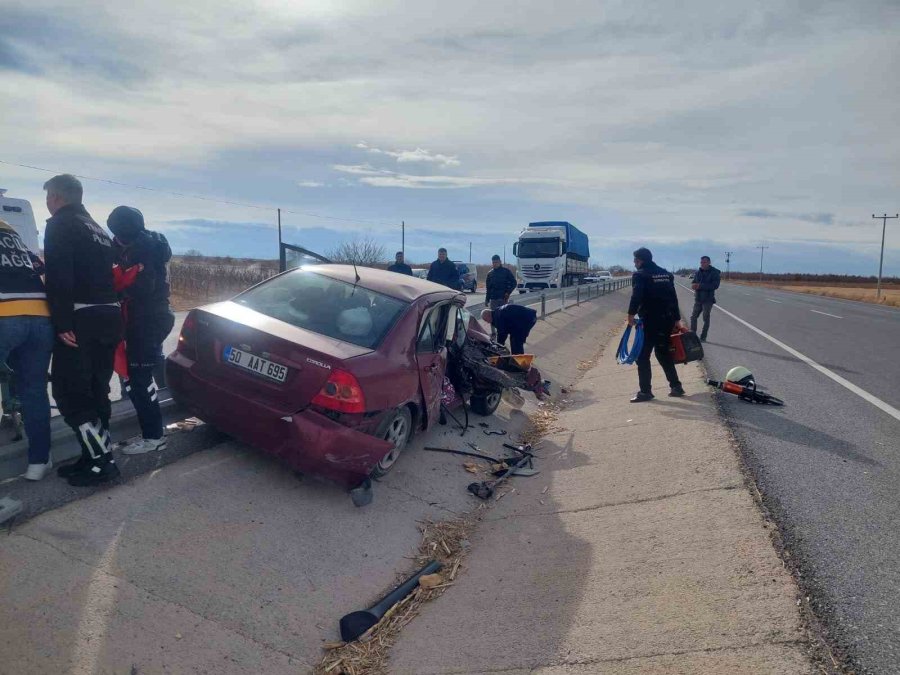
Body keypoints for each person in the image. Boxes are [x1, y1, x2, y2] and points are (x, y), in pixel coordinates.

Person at [43, 174, 124, 486]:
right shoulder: (97, 229)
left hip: (81, 317)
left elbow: (59, 275)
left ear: (56, 197)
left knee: (69, 394)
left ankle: (102, 462)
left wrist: (62, 321)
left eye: (48, 197)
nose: (47, 203)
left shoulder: (60, 223)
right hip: (109, 315)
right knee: (95, 390)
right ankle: (92, 457)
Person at [107, 206, 175, 455]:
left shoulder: (146, 248)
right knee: (137, 375)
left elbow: (145, 288)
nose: (118, 241)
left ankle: (154, 437)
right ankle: (153, 431)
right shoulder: (143, 243)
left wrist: (118, 292)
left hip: (148, 320)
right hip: (147, 318)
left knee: (139, 379)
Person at [0, 219, 55, 480]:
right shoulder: (8, 227)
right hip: (40, 315)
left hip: (4, 314)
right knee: (34, 391)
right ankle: (39, 462)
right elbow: (38, 265)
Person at [627, 247, 684, 402]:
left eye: (635, 260)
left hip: (650, 321)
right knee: (663, 353)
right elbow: (673, 298)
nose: (634, 263)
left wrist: (630, 314)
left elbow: (636, 296)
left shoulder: (640, 275)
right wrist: (677, 319)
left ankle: (645, 392)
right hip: (667, 320)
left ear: (640, 260)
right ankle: (676, 386)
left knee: (642, 356)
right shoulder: (666, 274)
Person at [690, 255, 720, 342]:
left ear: (709, 262)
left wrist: (700, 286)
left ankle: (703, 337)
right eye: (701, 262)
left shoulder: (714, 272)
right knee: (693, 317)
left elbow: (715, 285)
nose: (702, 264)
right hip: (698, 298)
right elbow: (694, 282)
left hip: (708, 300)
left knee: (705, 318)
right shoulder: (698, 272)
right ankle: (693, 336)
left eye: (704, 262)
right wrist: (693, 285)